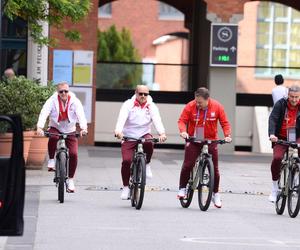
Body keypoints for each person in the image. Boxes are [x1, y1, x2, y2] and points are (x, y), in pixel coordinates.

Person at [177, 87, 232, 208]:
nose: (197, 104)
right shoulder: (190, 106)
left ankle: (216, 193)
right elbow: (182, 121)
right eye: (196, 101)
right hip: (194, 137)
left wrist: (227, 135)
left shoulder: (217, 106)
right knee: (188, 164)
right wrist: (183, 131)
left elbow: (225, 123)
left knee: (215, 169)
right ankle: (182, 188)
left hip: (211, 139)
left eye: (200, 102)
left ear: (208, 100)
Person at [114, 85, 167, 200]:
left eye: (145, 94)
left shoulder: (151, 106)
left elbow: (157, 120)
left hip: (144, 134)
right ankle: (126, 187)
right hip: (129, 136)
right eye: (140, 94)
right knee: (127, 161)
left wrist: (162, 133)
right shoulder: (128, 104)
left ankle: (147, 164)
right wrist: (118, 131)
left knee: (149, 142)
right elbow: (121, 118)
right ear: (136, 93)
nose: (143, 96)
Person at [36, 81, 88, 192]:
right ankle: (51, 160)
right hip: (56, 126)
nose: (64, 93)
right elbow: (44, 112)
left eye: (66, 91)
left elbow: (81, 115)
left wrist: (84, 128)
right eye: (61, 91)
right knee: (53, 137)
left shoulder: (75, 101)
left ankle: (70, 180)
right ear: (57, 92)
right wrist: (39, 127)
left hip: (70, 130)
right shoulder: (52, 100)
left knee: (74, 154)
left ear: (68, 91)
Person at [268, 85, 300, 202]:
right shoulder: (280, 104)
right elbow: (273, 119)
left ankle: (296, 176)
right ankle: (275, 187)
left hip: (297, 137)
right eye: (292, 97)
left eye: (296, 97)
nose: (294, 100)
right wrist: (272, 134)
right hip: (280, 138)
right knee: (277, 158)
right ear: (288, 95)